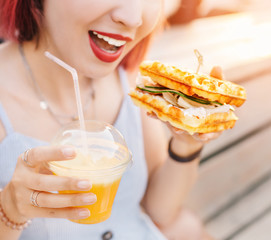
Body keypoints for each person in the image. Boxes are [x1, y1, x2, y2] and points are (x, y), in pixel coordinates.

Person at [0, 0, 222, 239]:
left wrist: (187, 145)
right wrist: (9, 211)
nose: (133, 18)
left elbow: (161, 211)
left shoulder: (130, 79)